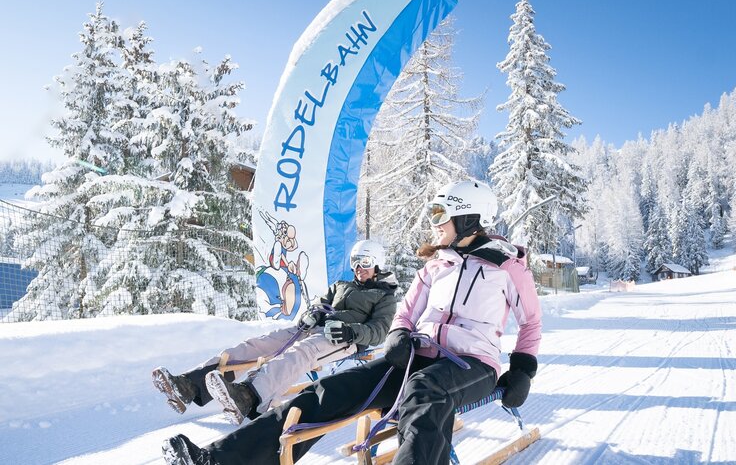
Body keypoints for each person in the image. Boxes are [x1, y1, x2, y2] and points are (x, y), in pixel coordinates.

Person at [161, 180, 542, 465]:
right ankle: (219, 459)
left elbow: (530, 324)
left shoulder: (506, 267)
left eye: (441, 215)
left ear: (469, 217)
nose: (435, 223)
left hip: (471, 366)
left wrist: (521, 371)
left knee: (426, 392)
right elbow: (408, 311)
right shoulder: (435, 265)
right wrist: (398, 335)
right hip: (416, 358)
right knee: (327, 390)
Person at [152, 239, 398, 425]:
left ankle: (250, 395)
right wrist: (312, 314)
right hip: (315, 328)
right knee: (260, 344)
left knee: (302, 352)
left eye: (365, 263)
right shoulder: (341, 285)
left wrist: (349, 332)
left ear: (377, 263)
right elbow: (319, 304)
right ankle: (190, 385)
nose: (359, 268)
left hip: (342, 340)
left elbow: (379, 331)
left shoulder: (384, 296)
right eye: (355, 262)